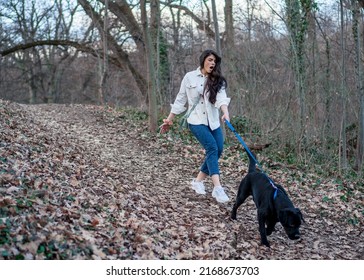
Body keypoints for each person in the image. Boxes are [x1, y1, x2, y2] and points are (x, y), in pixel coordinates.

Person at [160, 49, 231, 203]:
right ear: (203, 60)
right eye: (210, 60)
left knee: (218, 150)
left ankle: (198, 181)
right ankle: (218, 188)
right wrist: (169, 119)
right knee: (212, 147)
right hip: (195, 120)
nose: (212, 63)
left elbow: (222, 99)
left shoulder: (218, 80)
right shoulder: (189, 77)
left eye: (214, 61)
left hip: (213, 121)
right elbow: (180, 99)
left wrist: (225, 113)